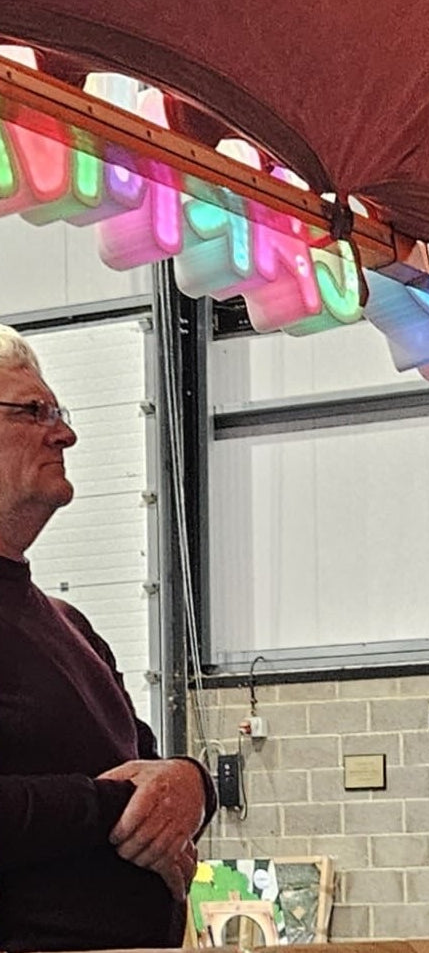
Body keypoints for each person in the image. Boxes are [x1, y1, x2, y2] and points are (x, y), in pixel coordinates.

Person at [0, 324, 217, 951]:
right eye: (32, 411)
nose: (64, 432)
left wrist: (190, 784)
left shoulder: (73, 628)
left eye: (58, 411)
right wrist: (116, 809)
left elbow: (150, 774)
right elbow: (128, 795)